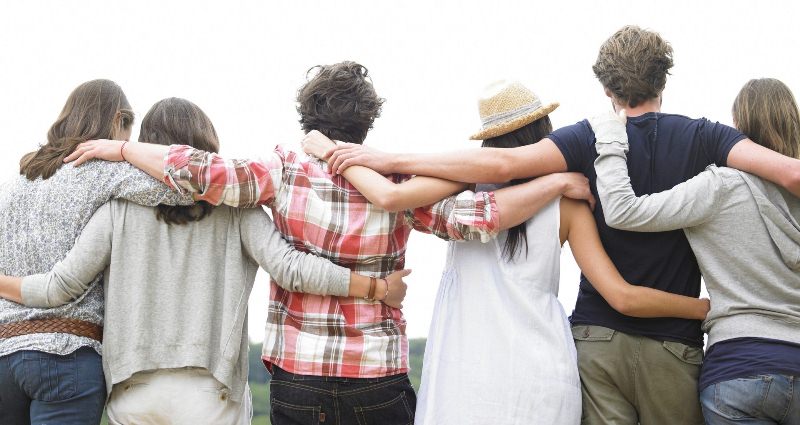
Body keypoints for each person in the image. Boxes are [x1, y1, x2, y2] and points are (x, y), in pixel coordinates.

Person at [310, 27, 800, 424]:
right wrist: (712, 309)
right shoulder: (698, 140)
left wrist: (364, 153)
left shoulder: (567, 149)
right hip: (627, 358)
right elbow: (790, 174)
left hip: (534, 359)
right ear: (663, 81)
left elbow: (482, 173)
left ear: (607, 90)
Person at [63, 61, 595, 424]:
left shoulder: (282, 171)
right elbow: (483, 215)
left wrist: (123, 151)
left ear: (307, 119)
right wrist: (554, 181)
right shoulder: (403, 187)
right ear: (367, 121)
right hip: (377, 375)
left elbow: (200, 169)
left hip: (298, 377)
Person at [302, 79, 711, 425]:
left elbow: (389, 195)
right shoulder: (567, 200)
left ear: (489, 142)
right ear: (544, 133)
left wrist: (327, 148)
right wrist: (705, 308)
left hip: (464, 376)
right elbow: (621, 295)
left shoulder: (459, 191)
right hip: (542, 378)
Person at [0, 97, 412, 424]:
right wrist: (375, 288)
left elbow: (60, 286)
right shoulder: (237, 211)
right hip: (209, 396)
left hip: (132, 394)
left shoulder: (117, 210)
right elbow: (291, 268)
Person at [590, 78, 800, 425]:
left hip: (738, 369)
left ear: (739, 129)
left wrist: (611, 136)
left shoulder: (720, 187)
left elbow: (623, 211)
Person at [0, 79, 195, 425]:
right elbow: (188, 187)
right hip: (67, 355)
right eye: (129, 131)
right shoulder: (102, 170)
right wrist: (125, 154)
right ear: (118, 119)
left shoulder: (20, 179)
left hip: (5, 356)